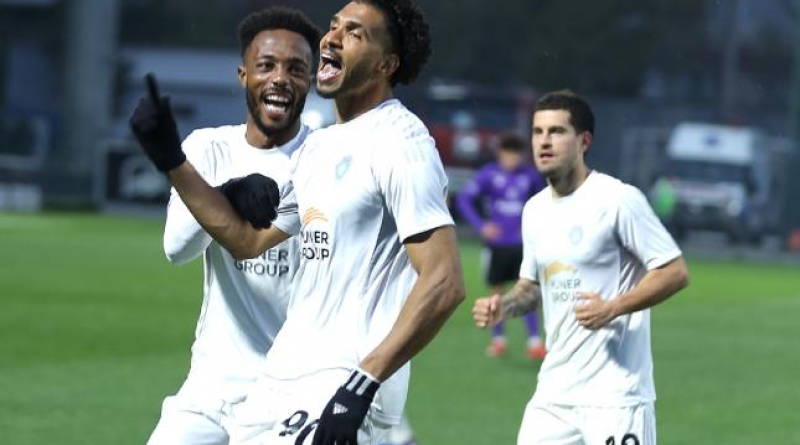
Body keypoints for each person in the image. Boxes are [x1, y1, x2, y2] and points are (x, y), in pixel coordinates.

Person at [129, 1, 465, 444]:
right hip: (281, 380)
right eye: (334, 27)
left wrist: (364, 381)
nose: (333, 39)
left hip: (342, 379)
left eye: (355, 33)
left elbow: (444, 281)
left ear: (386, 64)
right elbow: (246, 241)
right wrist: (172, 160)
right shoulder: (319, 149)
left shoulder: (401, 142)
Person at [144, 7, 322, 445]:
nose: (280, 78)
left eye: (296, 69)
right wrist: (227, 191)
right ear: (244, 75)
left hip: (289, 395)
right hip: (208, 389)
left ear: (311, 81)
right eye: (267, 65)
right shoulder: (208, 147)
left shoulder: (323, 161)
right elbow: (177, 249)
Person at [472, 90, 690, 445]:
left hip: (616, 397)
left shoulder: (618, 200)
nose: (544, 141)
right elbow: (533, 287)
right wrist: (503, 306)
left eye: (557, 131)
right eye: (538, 132)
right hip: (554, 397)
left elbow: (674, 271)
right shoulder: (535, 210)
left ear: (584, 141)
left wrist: (613, 307)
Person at [456, 131, 546, 359]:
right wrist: (481, 225)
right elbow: (464, 199)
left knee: (526, 291)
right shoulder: (489, 174)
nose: (511, 158)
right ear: (499, 153)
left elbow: (545, 202)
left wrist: (533, 228)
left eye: (516, 154)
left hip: (522, 244)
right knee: (496, 291)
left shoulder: (531, 176)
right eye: (507, 153)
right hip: (496, 245)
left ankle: (535, 342)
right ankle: (498, 340)